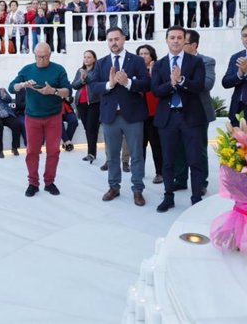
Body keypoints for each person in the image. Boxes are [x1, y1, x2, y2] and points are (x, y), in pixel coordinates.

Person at [89, 27, 150, 206]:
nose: (113, 43)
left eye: (116, 39)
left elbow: (146, 84)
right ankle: (114, 187)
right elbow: (93, 87)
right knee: (112, 155)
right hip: (110, 117)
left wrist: (128, 82)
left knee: (137, 155)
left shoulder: (137, 60)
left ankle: (137, 189)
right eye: (110, 40)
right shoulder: (101, 63)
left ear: (123, 39)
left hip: (133, 116)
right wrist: (110, 83)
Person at [151, 26, 207, 212]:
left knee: (195, 160)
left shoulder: (195, 62)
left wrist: (181, 80)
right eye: (172, 37)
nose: (175, 40)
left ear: (185, 40)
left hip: (191, 117)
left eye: (179, 37)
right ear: (166, 40)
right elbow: (156, 91)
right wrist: (171, 84)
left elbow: (199, 86)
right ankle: (168, 197)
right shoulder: (158, 65)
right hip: (168, 119)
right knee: (168, 161)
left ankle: (197, 197)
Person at [9, 42, 71, 198]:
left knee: (53, 151)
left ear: (50, 55)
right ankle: (33, 183)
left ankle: (49, 182)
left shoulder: (58, 70)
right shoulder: (27, 69)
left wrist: (53, 91)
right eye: (37, 56)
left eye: (43, 57)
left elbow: (68, 91)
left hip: (53, 117)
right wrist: (22, 85)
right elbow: (11, 87)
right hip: (32, 118)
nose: (40, 60)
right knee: (32, 151)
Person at [172, 30, 216, 193]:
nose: (178, 44)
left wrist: (182, 79)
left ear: (194, 45)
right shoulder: (174, 60)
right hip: (177, 111)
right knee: (179, 148)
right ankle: (181, 179)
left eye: (183, 41)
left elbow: (207, 83)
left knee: (198, 149)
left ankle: (201, 182)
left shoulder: (206, 61)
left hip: (198, 112)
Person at [136, 44, 163, 184]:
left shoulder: (158, 69)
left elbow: (157, 88)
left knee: (156, 144)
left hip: (154, 113)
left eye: (146, 53)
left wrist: (152, 71)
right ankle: (139, 171)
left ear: (152, 55)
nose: (143, 56)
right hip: (139, 114)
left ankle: (159, 172)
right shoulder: (134, 70)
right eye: (140, 53)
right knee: (139, 145)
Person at [72, 50, 100, 164]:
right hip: (81, 104)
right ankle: (91, 152)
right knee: (87, 128)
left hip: (93, 103)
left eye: (89, 57)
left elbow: (94, 83)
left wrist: (86, 78)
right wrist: (82, 79)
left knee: (91, 128)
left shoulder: (97, 70)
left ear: (94, 59)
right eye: (85, 57)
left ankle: (91, 153)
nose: (86, 59)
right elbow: (74, 85)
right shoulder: (80, 71)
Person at [0, 78, 21, 158]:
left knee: (16, 124)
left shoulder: (2, 90)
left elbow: (9, 100)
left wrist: (2, 95)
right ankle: (0, 150)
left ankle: (14, 148)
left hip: (7, 114)